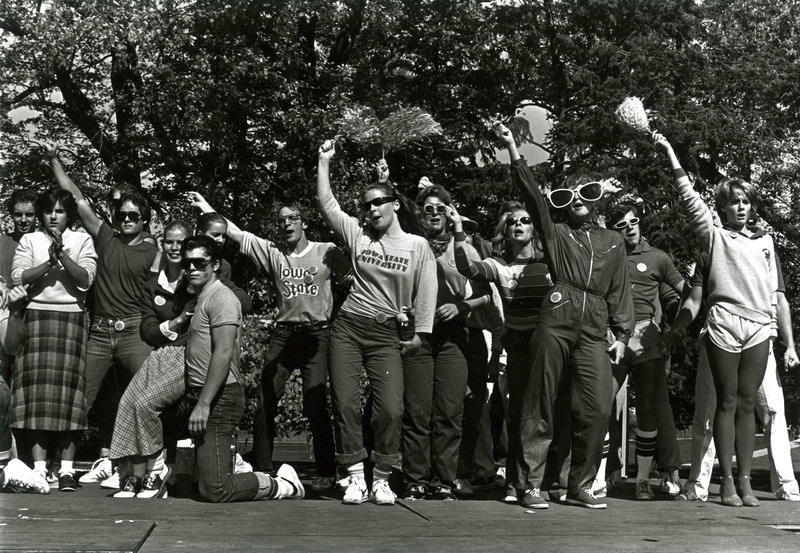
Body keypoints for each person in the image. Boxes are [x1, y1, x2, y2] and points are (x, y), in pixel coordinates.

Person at [496, 121, 634, 510]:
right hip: (557, 314)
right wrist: (513, 150)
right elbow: (533, 198)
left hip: (595, 323)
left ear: (597, 198)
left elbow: (620, 289)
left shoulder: (613, 240)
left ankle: (581, 485)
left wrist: (622, 335)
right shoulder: (555, 233)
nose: (577, 199)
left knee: (597, 406)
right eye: (567, 194)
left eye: (586, 192)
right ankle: (530, 485)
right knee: (540, 400)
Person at [189, 192, 349, 492]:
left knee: (315, 404)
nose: (288, 224)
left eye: (293, 218)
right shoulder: (274, 252)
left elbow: (355, 281)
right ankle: (263, 468)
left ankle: (328, 471)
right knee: (265, 402)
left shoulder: (327, 251)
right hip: (284, 335)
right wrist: (207, 207)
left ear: (304, 222)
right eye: (282, 220)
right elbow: (236, 233)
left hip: (317, 334)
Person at [656, 134, 777, 507]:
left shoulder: (766, 242)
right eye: (733, 202)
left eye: (745, 202)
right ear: (722, 208)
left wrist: (778, 330)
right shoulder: (713, 237)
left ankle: (744, 482)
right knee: (725, 401)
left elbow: (774, 294)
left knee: (746, 403)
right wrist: (671, 154)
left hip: (759, 326)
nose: (740, 208)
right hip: (724, 323)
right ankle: (724, 481)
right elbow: (690, 199)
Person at [317, 139, 437, 506]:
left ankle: (382, 476)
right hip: (350, 327)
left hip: (387, 334)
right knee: (346, 403)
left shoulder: (417, 245)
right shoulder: (359, 235)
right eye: (366, 205)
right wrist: (324, 161)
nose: (370, 210)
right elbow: (327, 204)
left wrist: (420, 334)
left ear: (395, 204)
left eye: (377, 203)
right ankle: (354, 475)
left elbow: (427, 290)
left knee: (390, 409)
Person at [44, 144, 158, 483]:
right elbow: (76, 196)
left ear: (145, 220)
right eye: (121, 215)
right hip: (100, 331)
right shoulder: (105, 236)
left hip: (134, 332)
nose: (126, 220)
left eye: (133, 216)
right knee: (81, 400)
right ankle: (61, 467)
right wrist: (54, 159)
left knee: (149, 397)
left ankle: (154, 468)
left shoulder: (155, 250)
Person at [168, 235, 304, 502]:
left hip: (220, 398)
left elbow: (224, 351)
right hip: (197, 394)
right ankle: (165, 472)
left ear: (216, 264)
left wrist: (204, 404)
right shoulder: (202, 298)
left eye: (199, 262)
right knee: (153, 411)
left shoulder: (222, 299)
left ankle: (279, 484)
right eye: (187, 263)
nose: (192, 268)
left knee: (215, 490)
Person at [666, 251, 800, 502]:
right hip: (719, 338)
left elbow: (779, 299)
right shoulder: (709, 250)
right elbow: (695, 299)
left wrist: (790, 344)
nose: (738, 210)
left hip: (759, 338)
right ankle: (697, 483)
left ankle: (786, 485)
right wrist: (680, 326)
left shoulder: (763, 246)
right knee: (708, 410)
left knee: (773, 411)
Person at [453, 200, 553, 503]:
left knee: (543, 414)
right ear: (505, 231)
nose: (519, 225)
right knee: (520, 413)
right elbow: (467, 268)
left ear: (534, 227)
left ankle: (538, 482)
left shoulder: (551, 262)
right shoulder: (499, 265)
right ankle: (516, 482)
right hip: (518, 345)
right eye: (512, 222)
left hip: (549, 344)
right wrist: (458, 231)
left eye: (525, 220)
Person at [401, 185, 490, 501]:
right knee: (417, 411)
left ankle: (443, 478)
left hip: (453, 336)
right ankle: (416, 478)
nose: (435, 213)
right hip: (419, 335)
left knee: (450, 411)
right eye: (429, 208)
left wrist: (462, 306)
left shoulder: (464, 247)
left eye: (442, 208)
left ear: (451, 212)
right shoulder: (410, 245)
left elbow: (484, 293)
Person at [10, 188, 98, 492]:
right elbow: (18, 277)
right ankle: (39, 468)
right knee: (36, 397)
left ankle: (67, 470)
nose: (53, 217)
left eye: (59, 211)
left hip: (71, 317)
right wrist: (48, 264)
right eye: (48, 212)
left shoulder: (82, 240)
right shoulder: (29, 240)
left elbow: (86, 279)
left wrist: (62, 255)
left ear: (68, 214)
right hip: (35, 316)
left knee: (70, 396)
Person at [604, 203, 685, 500]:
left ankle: (657, 474)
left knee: (653, 407)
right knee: (602, 402)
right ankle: (607, 471)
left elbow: (683, 292)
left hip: (646, 336)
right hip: (612, 336)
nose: (631, 227)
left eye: (634, 220)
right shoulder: (607, 254)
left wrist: (677, 329)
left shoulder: (657, 257)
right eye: (623, 224)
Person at [0, 188, 37, 469]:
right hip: (5, 321)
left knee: (27, 391)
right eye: (18, 214)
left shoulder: (44, 242)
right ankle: (9, 457)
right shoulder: (2, 243)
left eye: (29, 214)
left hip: (35, 321)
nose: (23, 220)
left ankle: (30, 459)